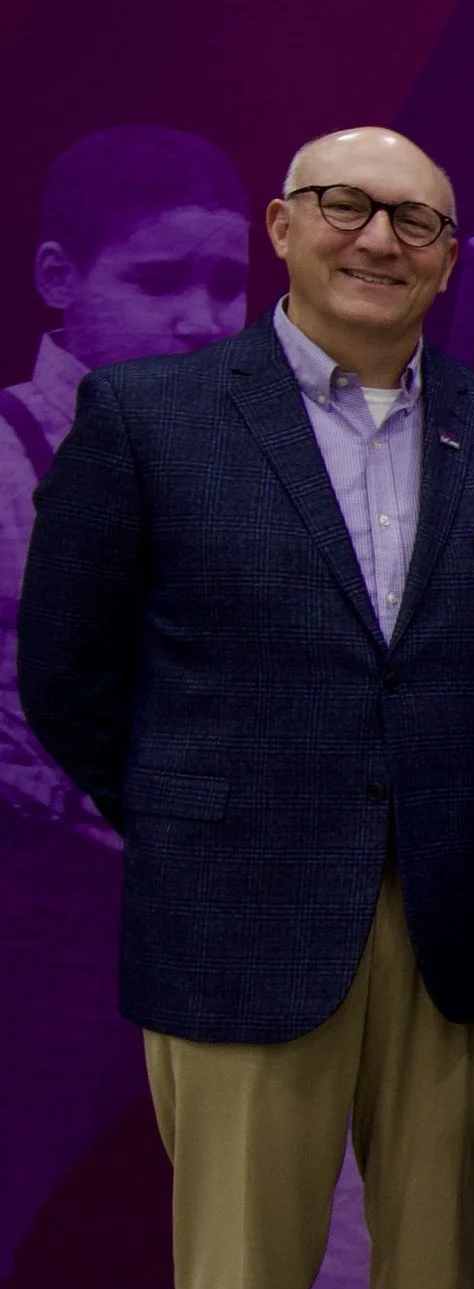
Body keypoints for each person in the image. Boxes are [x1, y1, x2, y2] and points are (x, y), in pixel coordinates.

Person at [18, 127, 474, 1289]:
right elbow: (69, 675)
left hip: (457, 921)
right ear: (284, 227)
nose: (382, 237)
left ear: (451, 258)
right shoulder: (150, 421)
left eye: (420, 218)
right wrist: (203, 815)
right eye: (348, 206)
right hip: (234, 916)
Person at [1, 124, 252, 832]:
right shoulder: (6, 466)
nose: (202, 321)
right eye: (158, 281)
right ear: (58, 277)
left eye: (228, 286)